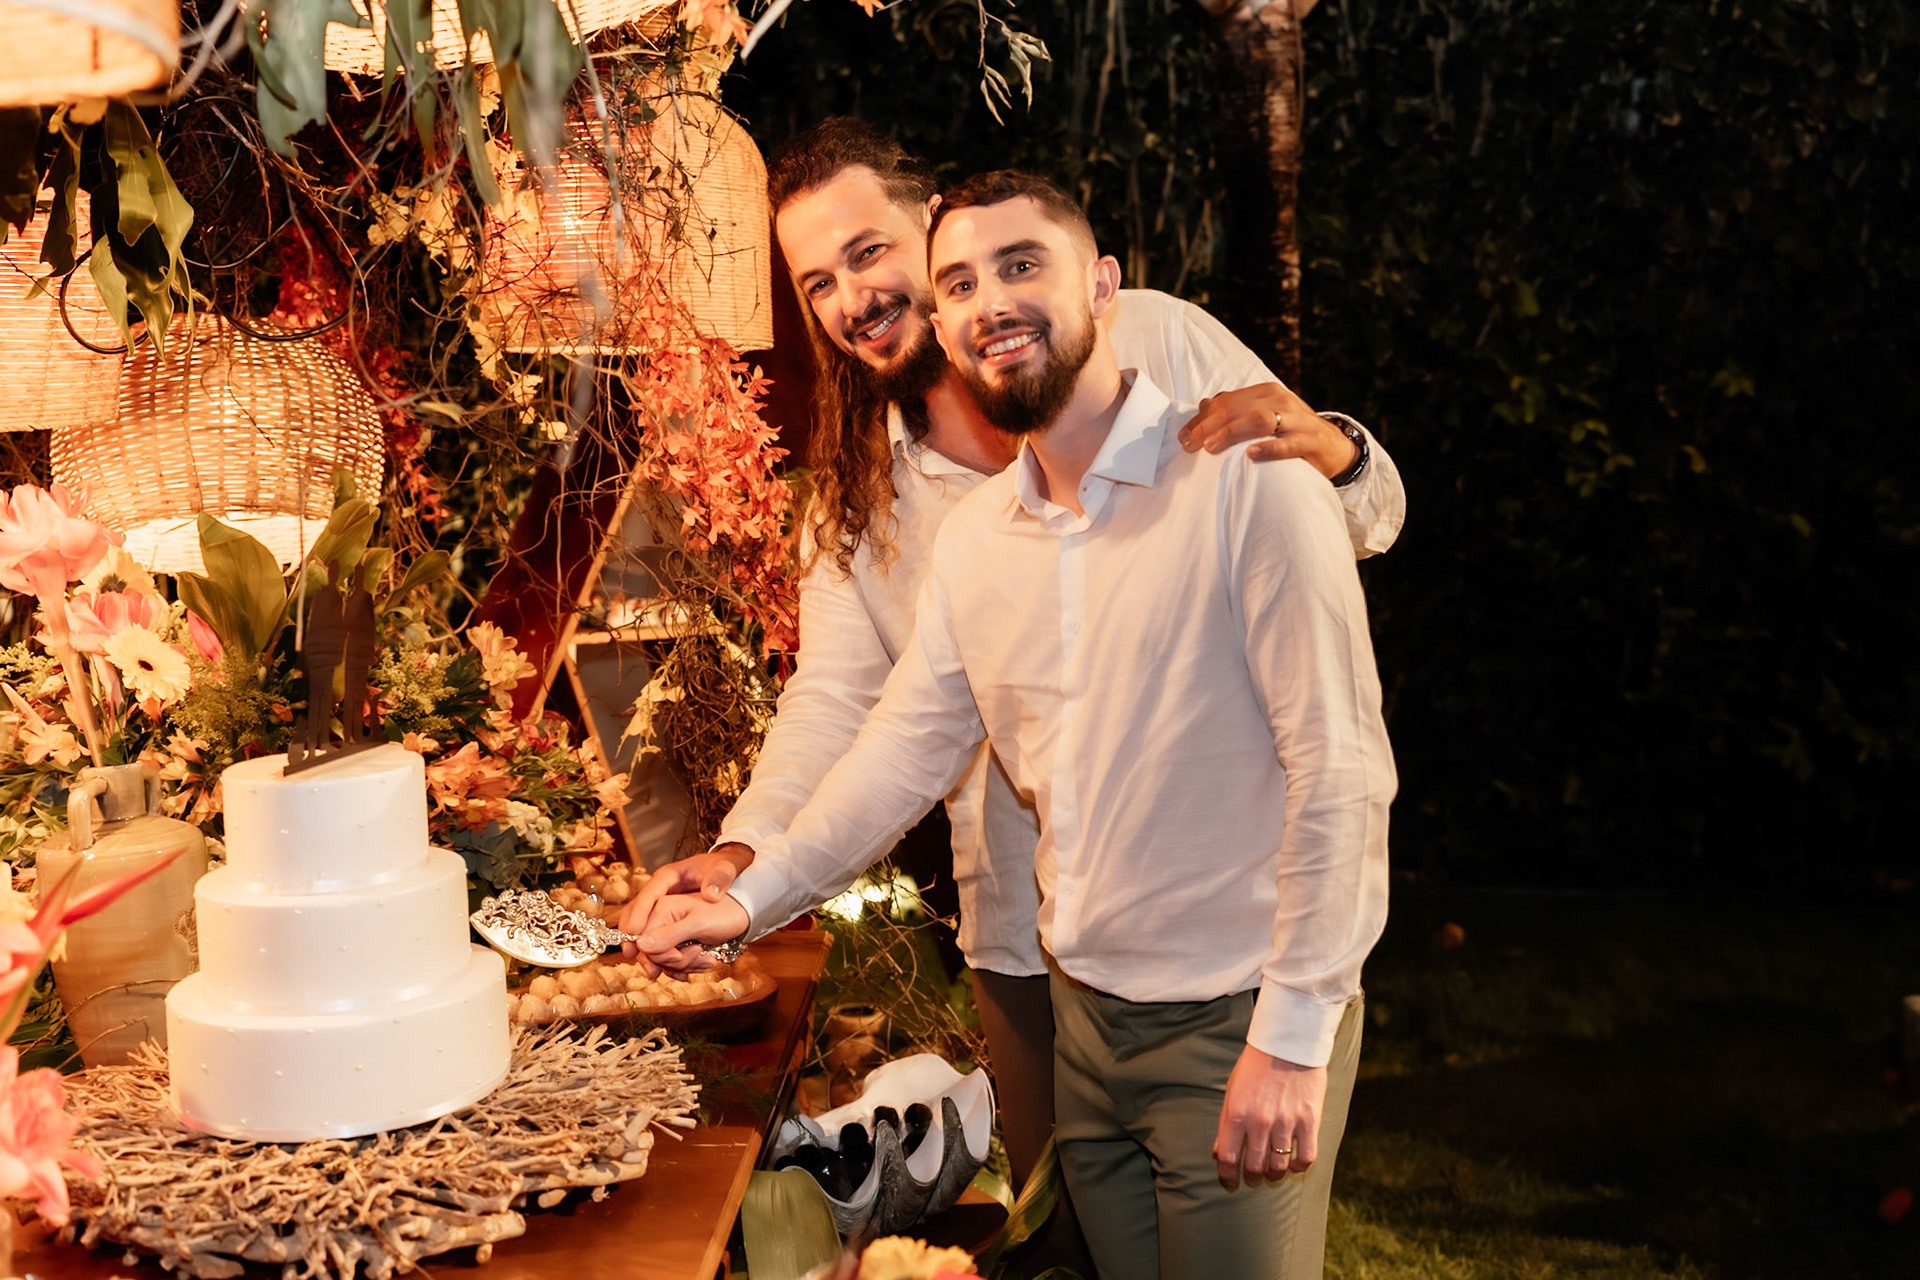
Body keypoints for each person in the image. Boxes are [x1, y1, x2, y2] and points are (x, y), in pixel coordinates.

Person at [630, 170, 1395, 1279]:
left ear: (1105, 284)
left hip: (1229, 993)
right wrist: (746, 887)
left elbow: (1338, 764)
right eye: (962, 284)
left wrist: (1292, 1031)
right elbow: (886, 732)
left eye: (1019, 266)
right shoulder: (961, 533)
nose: (986, 299)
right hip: (1071, 993)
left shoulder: (1235, 460)